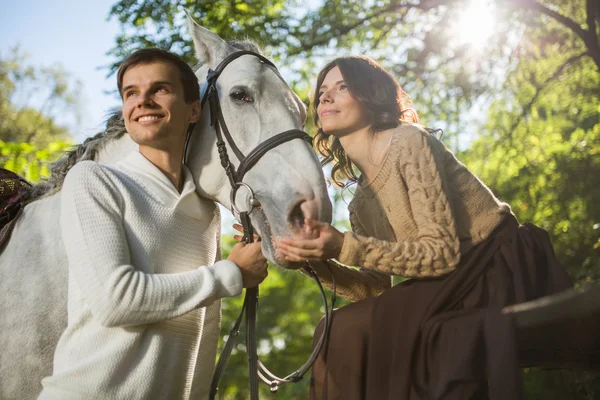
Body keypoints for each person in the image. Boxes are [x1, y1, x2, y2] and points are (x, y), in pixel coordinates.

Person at [278, 55, 573, 400]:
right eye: (322, 91)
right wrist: (311, 260)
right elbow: (373, 289)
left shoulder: (408, 142)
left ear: (370, 95)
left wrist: (342, 244)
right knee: (333, 328)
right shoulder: (360, 202)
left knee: (343, 328)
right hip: (443, 281)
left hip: (493, 264)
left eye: (342, 87)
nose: (324, 97)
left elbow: (442, 253)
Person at [39, 49, 268, 399]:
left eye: (159, 89)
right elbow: (116, 301)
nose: (142, 101)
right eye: (131, 93)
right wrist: (232, 273)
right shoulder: (93, 180)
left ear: (194, 110)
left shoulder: (207, 213)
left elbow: (201, 333)